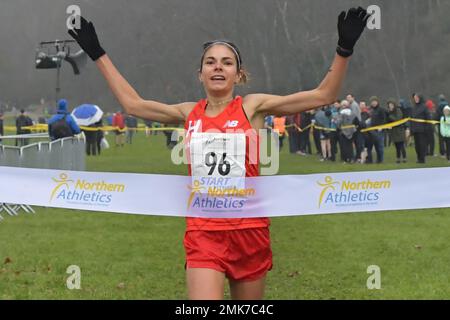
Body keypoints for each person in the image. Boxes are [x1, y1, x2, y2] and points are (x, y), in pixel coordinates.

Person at [69, 7, 370, 300]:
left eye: (226, 63)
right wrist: (98, 53)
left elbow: (323, 95)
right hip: (204, 231)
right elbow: (134, 105)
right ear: (200, 74)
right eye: (210, 62)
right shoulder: (188, 113)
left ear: (238, 74)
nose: (217, 67)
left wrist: (343, 49)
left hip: (249, 230)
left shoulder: (253, 107)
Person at [410, 93, 430, 164]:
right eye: (415, 98)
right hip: (415, 130)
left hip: (422, 130)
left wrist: (426, 128)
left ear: (420, 98)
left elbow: (428, 118)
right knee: (417, 146)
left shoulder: (424, 107)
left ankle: (422, 159)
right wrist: (411, 129)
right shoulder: (413, 107)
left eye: (417, 98)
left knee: (422, 145)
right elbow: (411, 119)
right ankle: (419, 158)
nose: (416, 99)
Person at [366, 96, 386, 164]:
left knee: (380, 146)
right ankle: (378, 160)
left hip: (380, 131)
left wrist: (382, 127)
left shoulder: (381, 109)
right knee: (376, 146)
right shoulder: (372, 110)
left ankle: (381, 160)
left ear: (377, 102)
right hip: (373, 131)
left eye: (375, 101)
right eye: (372, 102)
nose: (373, 103)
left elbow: (384, 119)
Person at [387, 98, 407, 163]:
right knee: (397, 146)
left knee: (401, 145)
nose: (390, 106)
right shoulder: (389, 112)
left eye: (391, 105)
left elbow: (398, 119)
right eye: (389, 105)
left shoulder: (398, 110)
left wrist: (390, 116)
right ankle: (398, 158)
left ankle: (404, 158)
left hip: (400, 130)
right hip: (393, 131)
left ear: (394, 105)